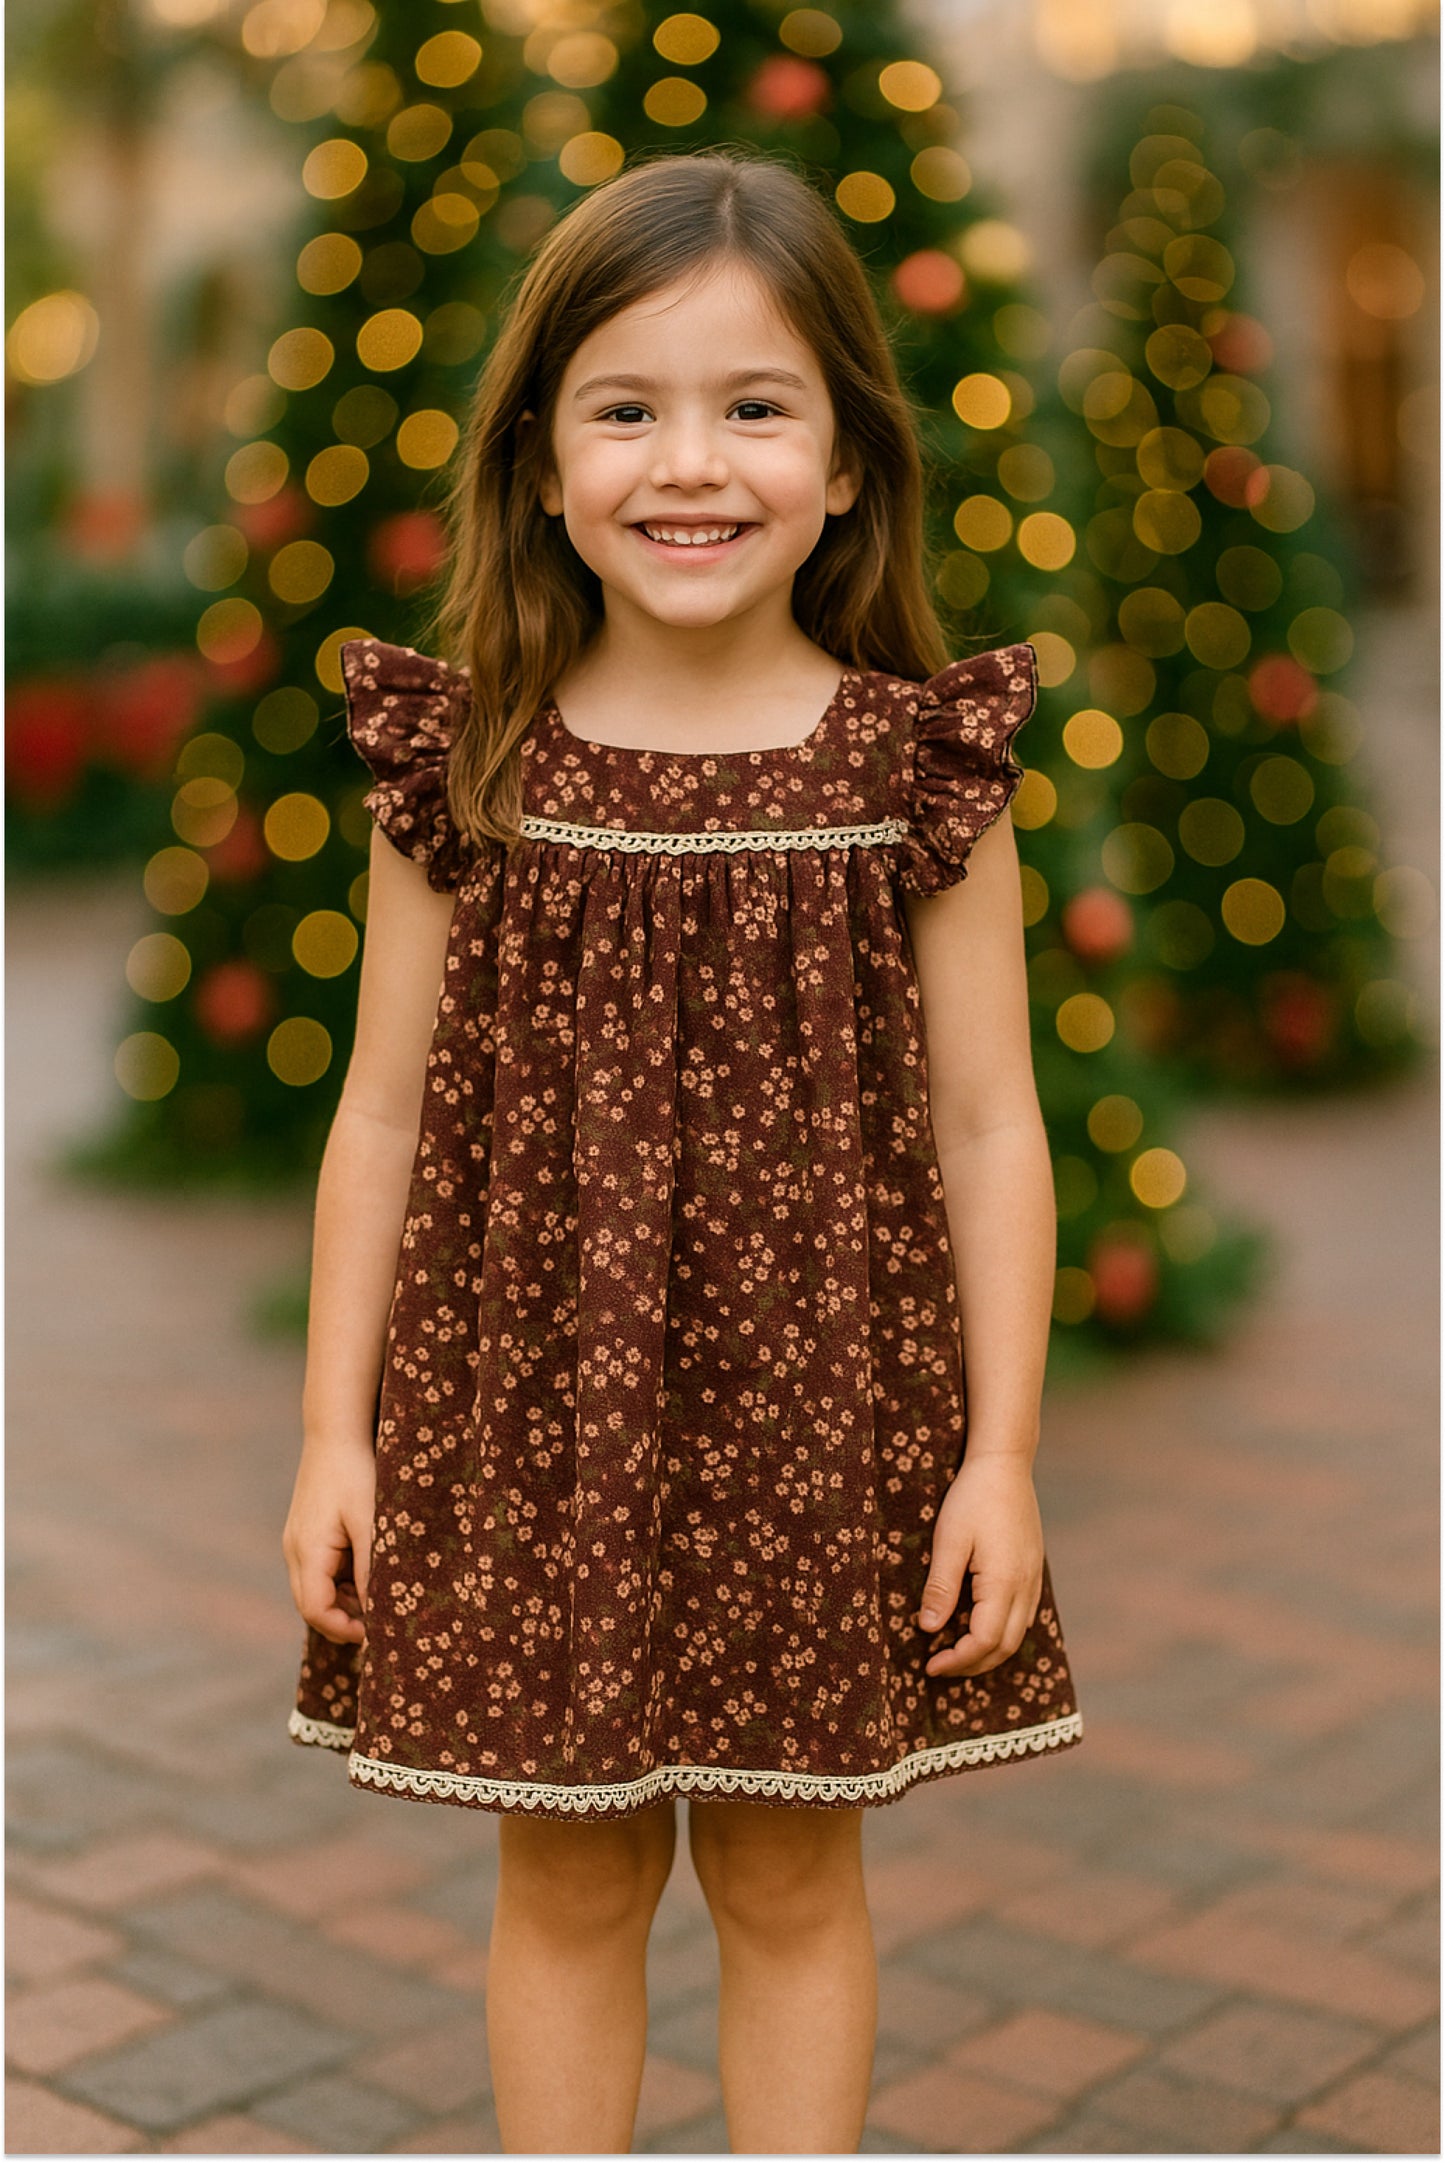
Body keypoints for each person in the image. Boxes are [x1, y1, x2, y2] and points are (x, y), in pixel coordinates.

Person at [283, 146, 1083, 2154]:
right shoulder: (467, 760)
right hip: (526, 1418)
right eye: (625, 407)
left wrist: (999, 1452)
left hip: (826, 1428)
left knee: (793, 1877)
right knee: (564, 1871)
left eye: (755, 405)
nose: (689, 463)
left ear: (847, 460)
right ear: (543, 459)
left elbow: (994, 1119)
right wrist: (332, 1433)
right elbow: (377, 1110)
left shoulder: (917, 766)